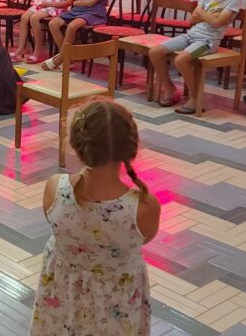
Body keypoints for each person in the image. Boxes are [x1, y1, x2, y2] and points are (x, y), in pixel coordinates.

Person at [30, 99, 160, 336]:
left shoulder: (55, 190)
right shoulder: (143, 208)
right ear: (130, 147)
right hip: (116, 312)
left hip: (62, 304)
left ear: (76, 143)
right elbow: (145, 237)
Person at [150, 0, 241, 114]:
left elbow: (217, 23)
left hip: (207, 41)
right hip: (191, 34)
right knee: (155, 52)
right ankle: (169, 87)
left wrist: (203, 13)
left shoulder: (234, 0)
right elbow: (192, 19)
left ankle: (195, 97)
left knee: (181, 60)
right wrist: (211, 16)